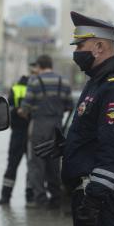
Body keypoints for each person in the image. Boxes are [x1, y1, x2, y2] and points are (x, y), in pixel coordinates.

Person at [35, 11, 114, 226]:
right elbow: (98, 135)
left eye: (80, 45)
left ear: (99, 46)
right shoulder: (99, 82)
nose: (76, 53)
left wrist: (94, 199)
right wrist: (70, 147)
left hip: (102, 193)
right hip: (92, 191)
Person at [19, 55, 73, 209]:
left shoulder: (34, 81)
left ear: (39, 67)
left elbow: (25, 108)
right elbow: (70, 106)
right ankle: (56, 198)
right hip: (57, 128)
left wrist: (21, 112)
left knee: (36, 164)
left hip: (39, 128)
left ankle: (40, 199)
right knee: (54, 164)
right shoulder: (64, 82)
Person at [0, 66, 37, 205]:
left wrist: (17, 115)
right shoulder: (37, 88)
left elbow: (9, 110)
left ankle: (5, 197)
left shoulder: (15, 88)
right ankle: (30, 196)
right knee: (32, 165)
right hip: (32, 132)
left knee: (12, 165)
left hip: (17, 132)